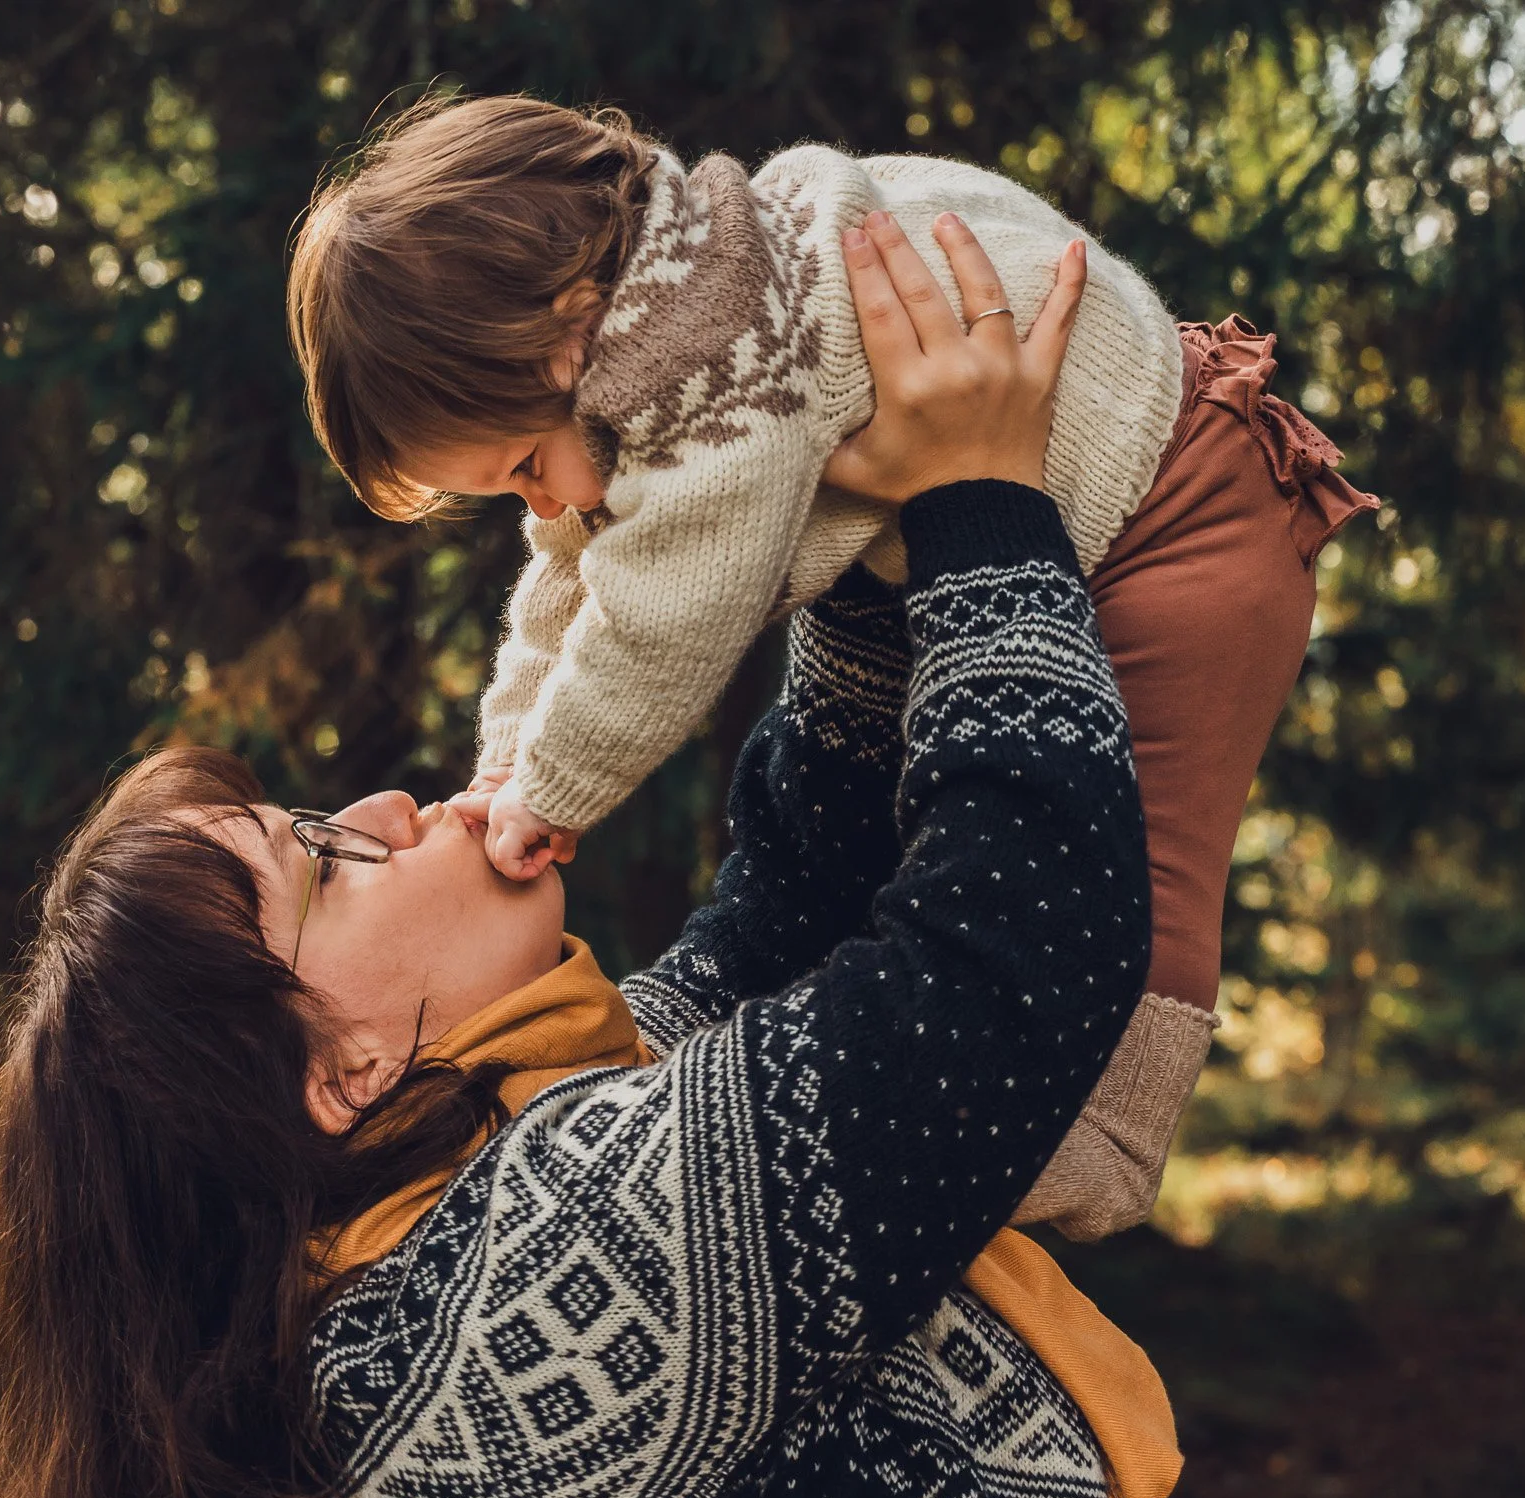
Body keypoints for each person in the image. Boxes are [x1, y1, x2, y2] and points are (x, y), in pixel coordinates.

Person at [0, 217, 1174, 1498]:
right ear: (344, 1074)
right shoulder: (533, 1292)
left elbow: (780, 924)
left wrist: (857, 539)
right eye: (328, 862)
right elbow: (1007, 959)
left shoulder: (438, 1247)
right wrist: (984, 505)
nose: (393, 808)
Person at [288, 95, 1379, 1240]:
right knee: (869, 837)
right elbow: (570, 568)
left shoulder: (712, 356)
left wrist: (554, 787)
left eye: (521, 463)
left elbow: (665, 613)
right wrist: (503, 761)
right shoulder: (632, 341)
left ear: (572, 323)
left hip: (1181, 514)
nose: (541, 499)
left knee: (1141, 853)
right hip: (1002, 519)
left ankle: (1105, 1128)